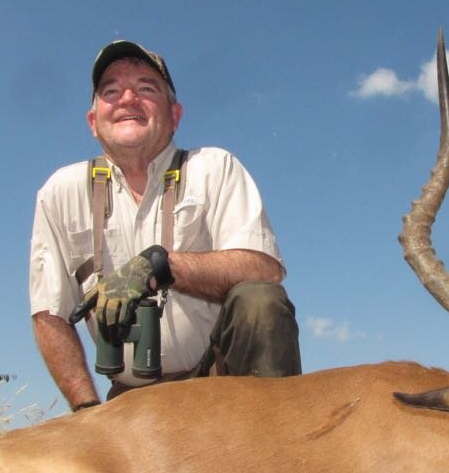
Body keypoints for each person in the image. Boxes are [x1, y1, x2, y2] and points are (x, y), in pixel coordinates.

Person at [30, 41, 301, 410]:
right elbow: (50, 312)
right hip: (130, 398)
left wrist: (161, 266)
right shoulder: (60, 191)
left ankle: (273, 444)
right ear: (93, 122)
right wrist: (85, 409)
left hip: (221, 380)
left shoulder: (213, 167)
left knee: (260, 300)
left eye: (146, 88)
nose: (127, 98)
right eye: (110, 91)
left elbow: (264, 269)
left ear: (175, 115)